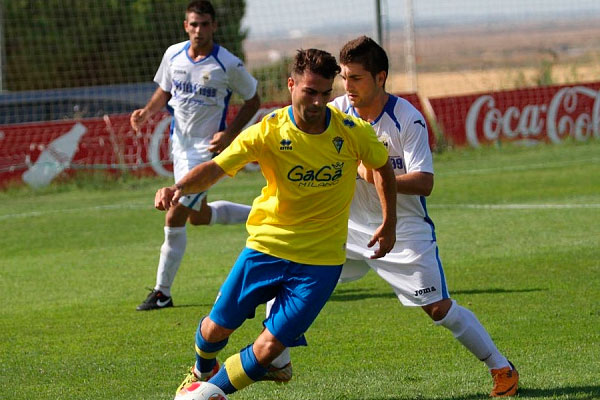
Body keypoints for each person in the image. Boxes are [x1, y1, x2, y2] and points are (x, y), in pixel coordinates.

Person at [271, 36, 520, 397]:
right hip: (345, 228)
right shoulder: (336, 111)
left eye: (356, 78)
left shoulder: (407, 119)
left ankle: (501, 367)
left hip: (402, 231)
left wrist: (374, 175)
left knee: (437, 308)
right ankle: (279, 360)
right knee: (284, 276)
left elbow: (425, 182)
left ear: (380, 77)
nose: (347, 86)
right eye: (344, 77)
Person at [155, 48, 397, 397]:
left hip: (321, 261)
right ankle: (201, 369)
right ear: (291, 85)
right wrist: (177, 188)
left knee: (269, 348)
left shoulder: (351, 131)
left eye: (325, 94)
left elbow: (382, 168)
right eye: (309, 91)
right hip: (267, 247)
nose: (317, 102)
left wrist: (389, 224)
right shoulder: (268, 131)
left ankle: (207, 392)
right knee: (214, 331)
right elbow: (216, 167)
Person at [130, 0, 260, 311]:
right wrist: (147, 112)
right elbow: (165, 89)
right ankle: (261, 214)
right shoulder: (173, 55)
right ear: (185, 26)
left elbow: (253, 100)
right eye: (193, 24)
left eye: (204, 24)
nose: (198, 30)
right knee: (198, 217)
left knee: (174, 211)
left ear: (214, 26)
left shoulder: (227, 64)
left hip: (206, 153)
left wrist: (230, 135)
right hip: (180, 147)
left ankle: (162, 292)